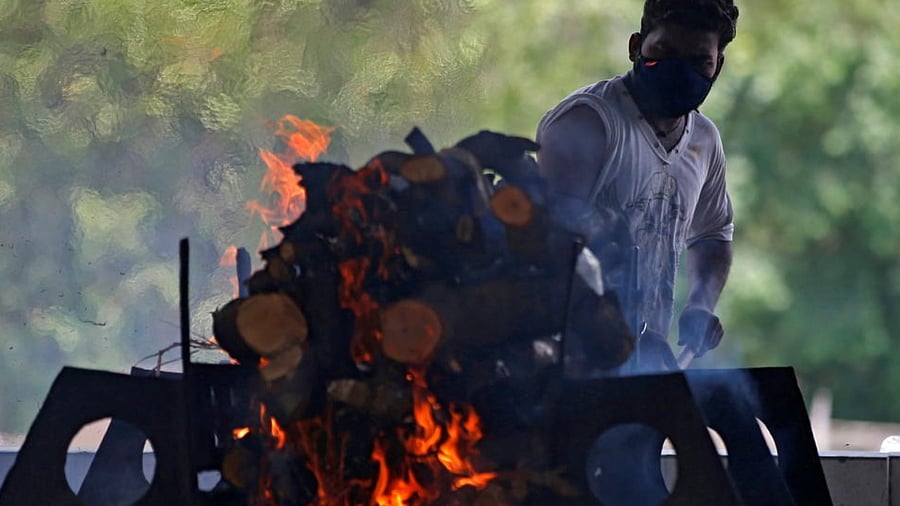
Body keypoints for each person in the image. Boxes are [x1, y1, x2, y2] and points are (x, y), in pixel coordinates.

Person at [536, 0, 739, 372]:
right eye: (665, 53)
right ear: (636, 46)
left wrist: (699, 304)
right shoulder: (587, 124)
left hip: (644, 370)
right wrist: (625, 333)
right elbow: (549, 251)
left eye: (699, 62)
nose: (680, 71)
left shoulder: (704, 142)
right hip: (563, 367)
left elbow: (712, 234)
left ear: (718, 66)